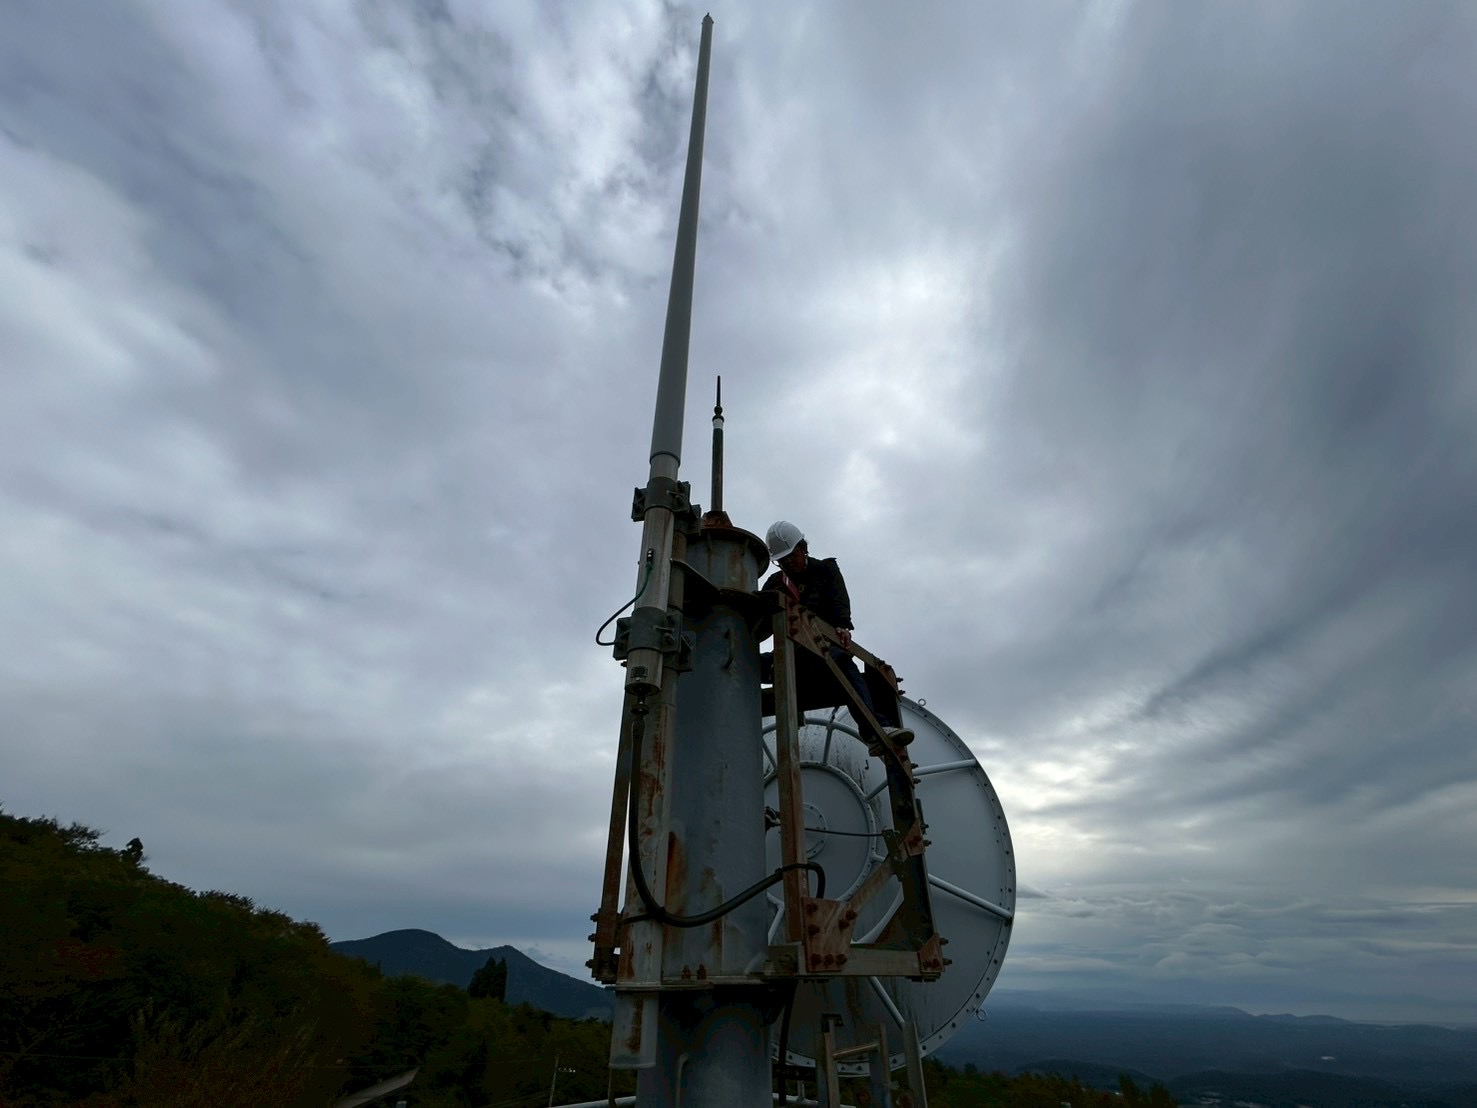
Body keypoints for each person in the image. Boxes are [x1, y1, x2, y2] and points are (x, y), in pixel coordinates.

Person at [761, 521, 912, 744]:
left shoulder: (825, 570)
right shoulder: (775, 583)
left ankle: (875, 731)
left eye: (790, 557)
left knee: (844, 664)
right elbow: (760, 619)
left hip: (824, 654)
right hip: (791, 658)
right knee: (747, 663)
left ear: (802, 549)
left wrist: (842, 625)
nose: (788, 564)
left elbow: (839, 600)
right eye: (782, 561)